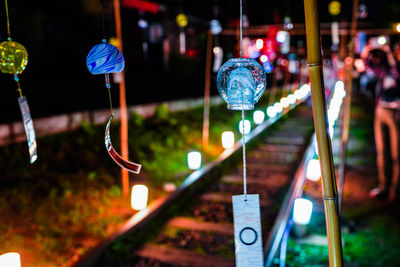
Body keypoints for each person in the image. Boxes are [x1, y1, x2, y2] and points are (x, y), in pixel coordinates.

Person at [361, 38, 400, 201]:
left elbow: (397, 72)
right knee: (382, 153)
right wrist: (369, 46)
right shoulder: (384, 69)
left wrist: (388, 52)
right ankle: (383, 186)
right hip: (381, 111)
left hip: (395, 113)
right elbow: (365, 64)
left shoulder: (396, 69)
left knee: (396, 154)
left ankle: (394, 189)